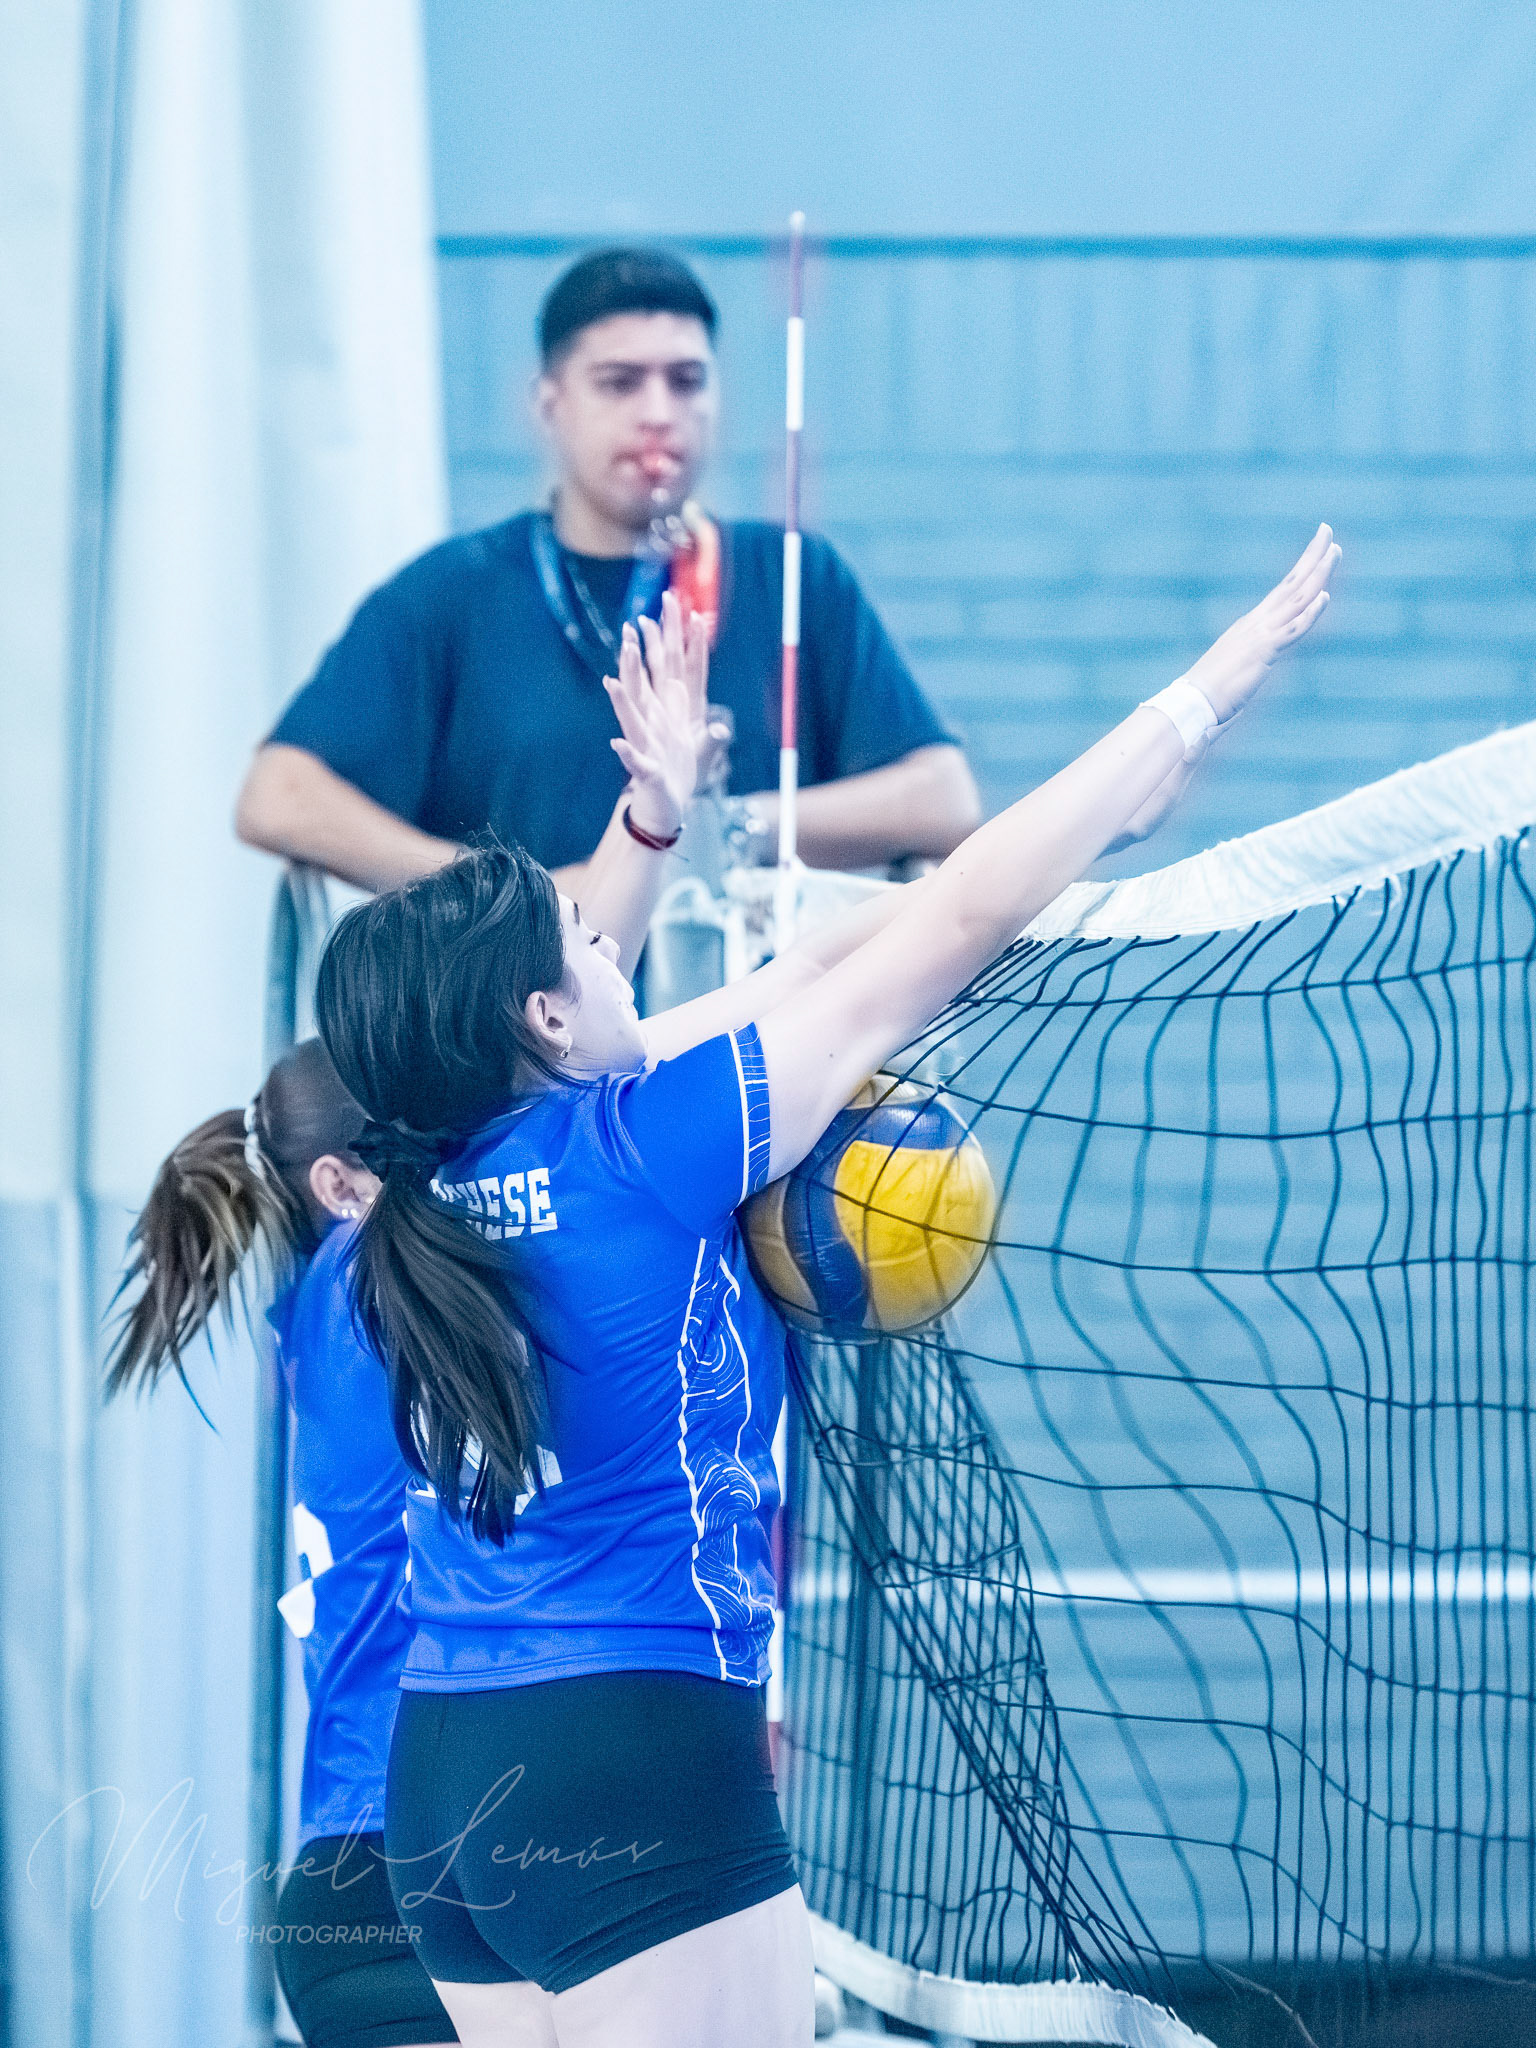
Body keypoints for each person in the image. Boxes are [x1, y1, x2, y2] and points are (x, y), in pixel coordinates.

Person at [310, 527, 1340, 2044]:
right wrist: (1197, 697)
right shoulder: (648, 1140)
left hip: (446, 1788)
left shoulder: (409, 1197)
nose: (610, 943)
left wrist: (655, 826)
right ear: (537, 1013)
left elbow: (818, 966)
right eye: (583, 939)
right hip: (634, 1760)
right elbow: (951, 915)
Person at [105, 613, 709, 2048]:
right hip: (433, 1863)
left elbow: (535, 1016)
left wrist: (646, 819)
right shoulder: (395, 1266)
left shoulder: (337, 1298)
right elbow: (535, 1030)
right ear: (350, 1178)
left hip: (360, 1877)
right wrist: (645, 830)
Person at [234, 246, 982, 893]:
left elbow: (943, 800)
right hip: (522, 1032)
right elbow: (279, 795)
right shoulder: (452, 592)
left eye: (686, 381)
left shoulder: (791, 578)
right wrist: (492, 897)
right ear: (549, 404)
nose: (659, 412)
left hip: (749, 1028)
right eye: (620, 383)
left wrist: (715, 826)